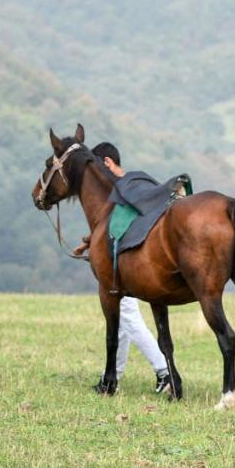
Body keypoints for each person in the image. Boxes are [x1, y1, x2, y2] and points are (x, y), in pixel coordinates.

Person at [77, 142, 173, 395]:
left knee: (129, 320)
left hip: (127, 267)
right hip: (124, 264)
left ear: (107, 163)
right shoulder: (129, 188)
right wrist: (90, 242)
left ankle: (164, 371)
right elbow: (114, 226)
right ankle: (112, 379)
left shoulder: (123, 188)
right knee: (121, 324)